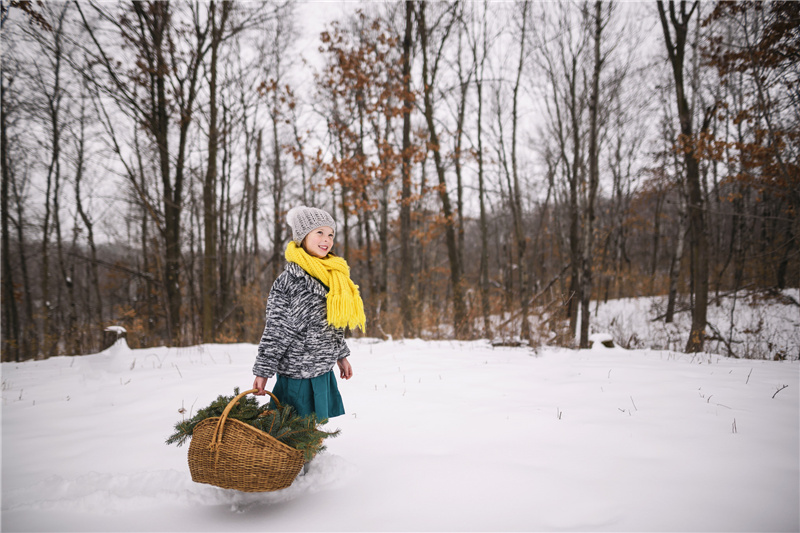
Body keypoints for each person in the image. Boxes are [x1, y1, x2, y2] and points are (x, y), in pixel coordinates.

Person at [252, 205, 366, 428]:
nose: (327, 240)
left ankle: (310, 461)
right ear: (302, 237)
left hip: (322, 369)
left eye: (331, 234)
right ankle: (292, 463)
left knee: (310, 431)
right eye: (319, 233)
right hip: (298, 373)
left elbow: (331, 324)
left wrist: (341, 355)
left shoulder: (331, 275)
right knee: (292, 431)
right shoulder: (290, 282)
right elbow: (276, 331)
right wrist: (263, 370)